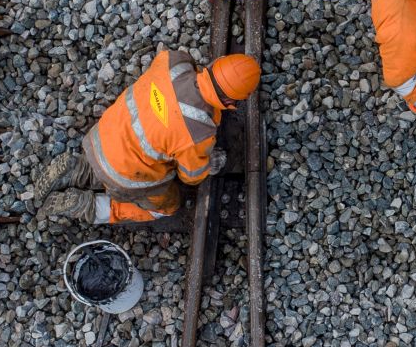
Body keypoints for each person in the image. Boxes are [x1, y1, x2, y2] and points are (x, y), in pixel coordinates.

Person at [33, 49, 261, 224]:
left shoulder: (175, 62)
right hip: (127, 176)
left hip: (102, 138)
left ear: (214, 65)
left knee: (116, 160)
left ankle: (79, 169)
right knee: (165, 207)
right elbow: (191, 177)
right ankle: (88, 206)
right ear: (230, 102)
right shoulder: (199, 131)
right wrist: (208, 163)